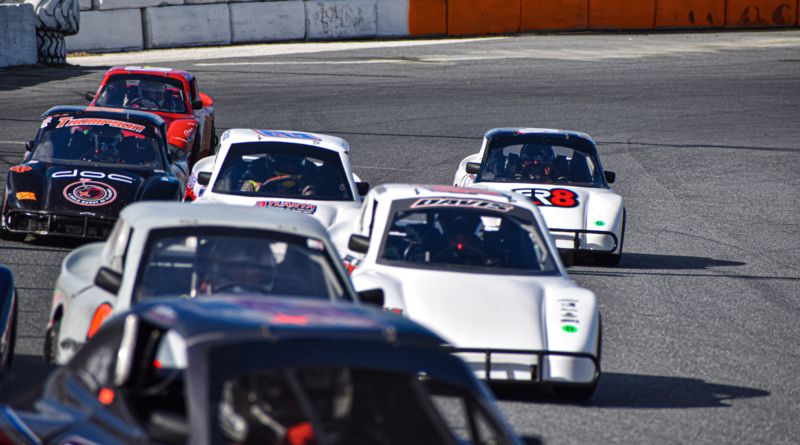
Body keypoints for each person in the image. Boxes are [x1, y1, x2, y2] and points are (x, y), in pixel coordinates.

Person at [197, 238, 277, 295]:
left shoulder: (270, 298)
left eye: (261, 268)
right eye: (243, 266)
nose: (257, 272)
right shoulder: (214, 288)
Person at [240, 153, 314, 196]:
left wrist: (311, 195)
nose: (289, 166)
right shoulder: (255, 174)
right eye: (284, 161)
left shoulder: (309, 178)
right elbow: (240, 197)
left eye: (293, 162)